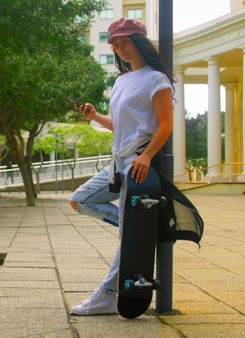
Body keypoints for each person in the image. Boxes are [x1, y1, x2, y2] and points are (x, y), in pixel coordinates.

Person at [68, 17, 174, 316]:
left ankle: (107, 294)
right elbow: (123, 127)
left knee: (127, 232)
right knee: (80, 200)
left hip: (137, 165)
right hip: (118, 164)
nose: (119, 47)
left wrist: (147, 156)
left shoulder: (156, 79)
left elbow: (166, 125)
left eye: (125, 40)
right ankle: (137, 229)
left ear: (139, 41)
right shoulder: (122, 80)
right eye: (115, 42)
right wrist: (95, 116)